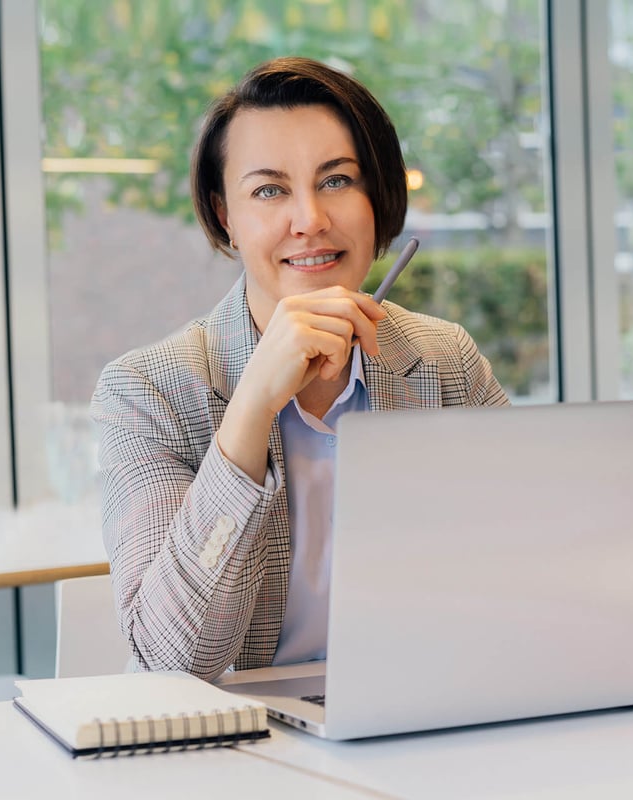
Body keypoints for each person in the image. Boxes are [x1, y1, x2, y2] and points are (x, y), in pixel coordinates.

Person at [92, 56, 510, 681]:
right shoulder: (146, 392)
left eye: (338, 181)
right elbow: (172, 661)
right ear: (226, 216)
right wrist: (252, 407)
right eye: (269, 190)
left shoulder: (444, 362)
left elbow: (530, 568)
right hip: (235, 751)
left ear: (378, 198)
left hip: (419, 717)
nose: (310, 219)